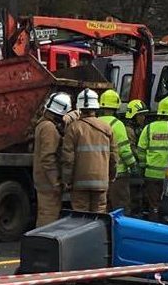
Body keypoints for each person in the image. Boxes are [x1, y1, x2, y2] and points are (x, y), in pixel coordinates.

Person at [60, 89, 115, 213]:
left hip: (79, 183)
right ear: (96, 107)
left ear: (79, 108)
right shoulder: (107, 128)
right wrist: (111, 176)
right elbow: (114, 157)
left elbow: (68, 159)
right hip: (101, 182)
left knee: (80, 217)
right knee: (98, 217)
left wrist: (66, 180)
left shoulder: (73, 128)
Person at [33, 92, 72, 226]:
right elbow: (48, 158)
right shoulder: (48, 128)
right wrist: (56, 182)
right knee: (48, 217)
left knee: (46, 214)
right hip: (48, 184)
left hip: (44, 181)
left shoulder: (44, 124)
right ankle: (42, 243)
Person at [137, 97, 168, 217]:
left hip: (151, 175)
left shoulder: (149, 128)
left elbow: (141, 150)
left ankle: (153, 222)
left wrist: (143, 166)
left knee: (153, 205)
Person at [100, 89, 137, 212]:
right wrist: (133, 165)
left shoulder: (96, 122)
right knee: (121, 206)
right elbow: (125, 150)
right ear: (116, 106)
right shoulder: (118, 124)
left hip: (100, 173)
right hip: (118, 174)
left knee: (105, 206)